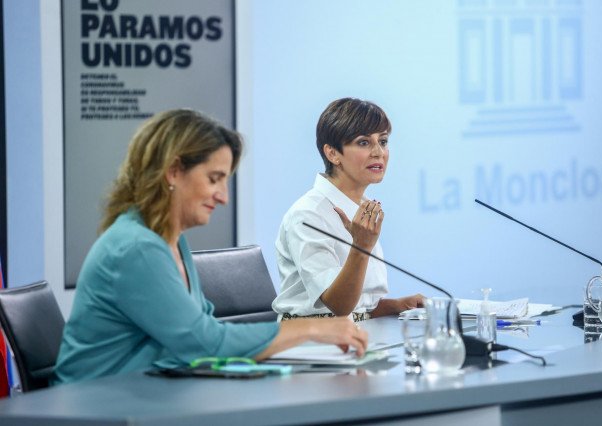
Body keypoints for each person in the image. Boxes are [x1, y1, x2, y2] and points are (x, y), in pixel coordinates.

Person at [51, 109, 368, 385]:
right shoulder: (137, 248)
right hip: (98, 408)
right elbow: (204, 342)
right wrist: (313, 328)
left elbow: (199, 334)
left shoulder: (171, 240)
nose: (223, 196)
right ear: (174, 171)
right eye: (214, 179)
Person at [272, 98, 424, 322]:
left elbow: (358, 308)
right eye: (364, 143)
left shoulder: (362, 206)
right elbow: (338, 305)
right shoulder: (308, 214)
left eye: (383, 141)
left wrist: (397, 305)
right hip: (311, 343)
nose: (378, 152)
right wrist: (361, 245)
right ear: (333, 154)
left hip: (358, 334)